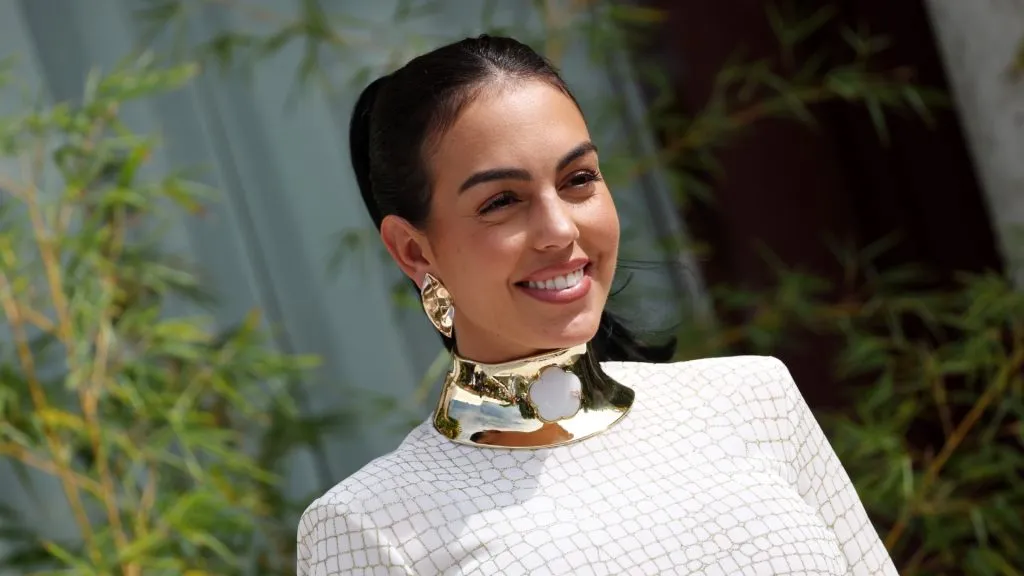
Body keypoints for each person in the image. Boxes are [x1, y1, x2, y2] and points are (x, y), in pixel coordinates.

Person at [297, 35, 897, 576]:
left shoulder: (752, 401)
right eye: (502, 200)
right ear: (413, 250)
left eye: (578, 179)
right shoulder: (370, 526)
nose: (559, 229)